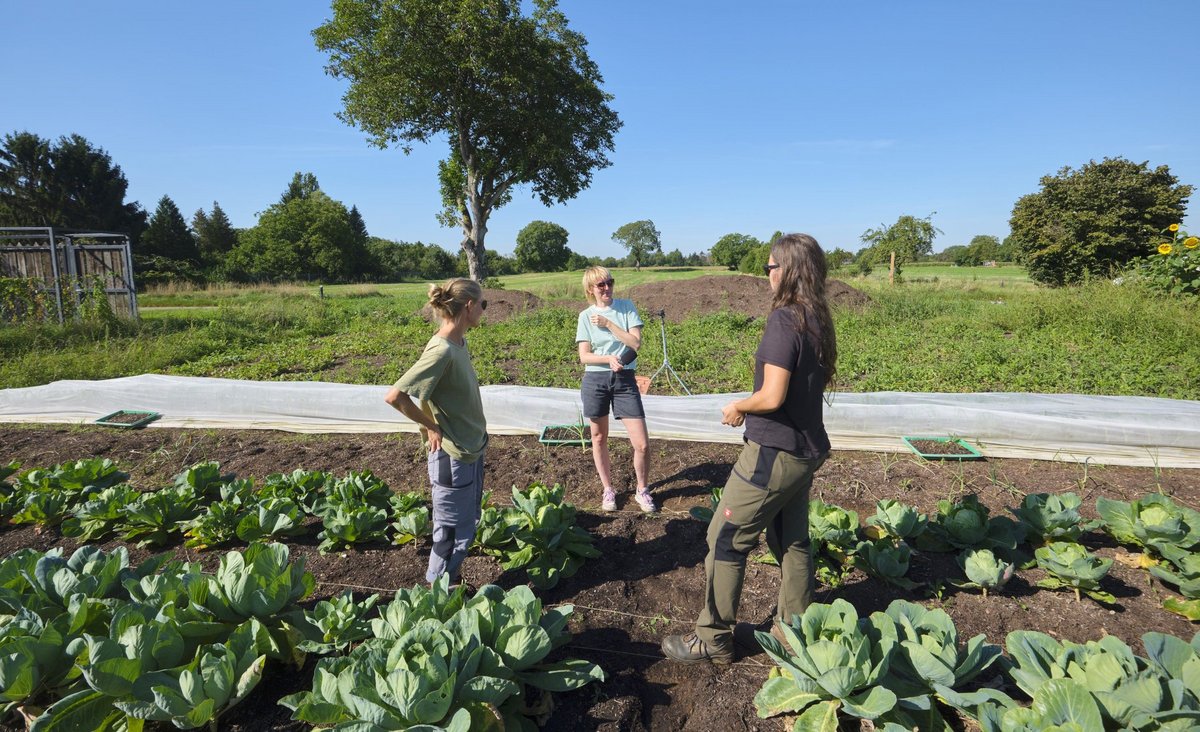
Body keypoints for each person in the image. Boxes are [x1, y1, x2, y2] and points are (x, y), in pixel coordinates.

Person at [661, 234, 837, 664]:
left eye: (770, 267)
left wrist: (739, 405)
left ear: (788, 271)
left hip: (773, 453)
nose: (766, 275)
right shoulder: (816, 317)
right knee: (791, 541)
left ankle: (712, 639)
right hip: (805, 450)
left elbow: (772, 396)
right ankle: (794, 630)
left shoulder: (785, 320)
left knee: (724, 537)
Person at [384, 278, 488, 585]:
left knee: (465, 524)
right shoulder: (441, 349)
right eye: (482, 304)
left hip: (469, 449)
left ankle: (449, 582)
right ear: (468, 307)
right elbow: (396, 395)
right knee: (452, 531)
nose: (484, 310)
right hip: (452, 457)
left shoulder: (458, 342)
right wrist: (430, 426)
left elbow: (434, 393)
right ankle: (438, 590)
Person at [576, 266, 656, 513]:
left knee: (641, 444)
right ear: (591, 289)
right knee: (598, 438)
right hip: (596, 381)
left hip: (624, 380)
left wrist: (609, 324)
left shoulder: (626, 307)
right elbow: (584, 356)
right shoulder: (585, 316)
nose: (607, 288)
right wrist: (608, 359)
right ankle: (608, 489)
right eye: (601, 285)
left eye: (609, 282)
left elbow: (636, 343)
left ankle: (642, 490)